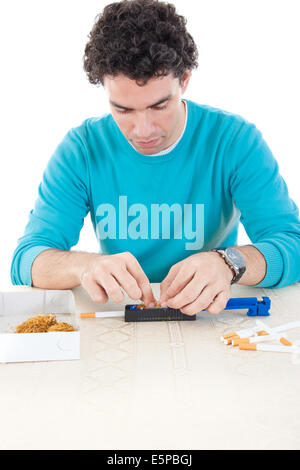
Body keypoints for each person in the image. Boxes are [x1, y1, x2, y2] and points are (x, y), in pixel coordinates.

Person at [10, 0, 300, 316]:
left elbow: (291, 243)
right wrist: (85, 266)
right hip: (119, 320)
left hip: (207, 319)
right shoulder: (82, 148)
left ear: (184, 80)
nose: (143, 130)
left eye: (159, 106)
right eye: (123, 109)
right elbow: (26, 259)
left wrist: (229, 262)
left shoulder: (234, 140)